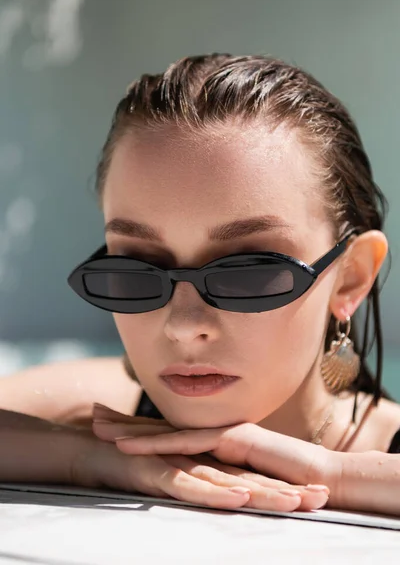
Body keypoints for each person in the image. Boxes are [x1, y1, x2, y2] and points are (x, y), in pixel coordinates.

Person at [1, 53, 400, 516]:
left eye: (249, 270)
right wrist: (86, 458)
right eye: (137, 268)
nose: (183, 326)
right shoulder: (112, 412)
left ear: (350, 277)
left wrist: (332, 474)